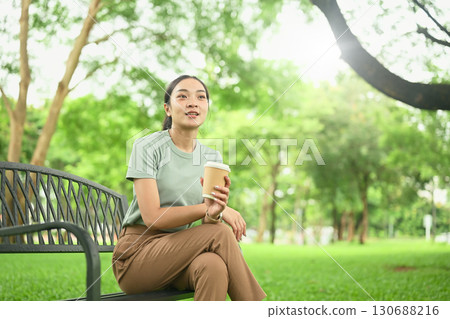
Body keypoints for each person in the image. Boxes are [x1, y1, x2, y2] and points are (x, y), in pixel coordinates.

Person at [112, 75, 266, 301]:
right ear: (168, 109)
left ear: (206, 107)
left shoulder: (212, 158)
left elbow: (208, 225)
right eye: (182, 96)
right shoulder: (147, 147)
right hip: (137, 257)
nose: (193, 102)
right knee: (222, 231)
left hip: (182, 254)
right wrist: (213, 211)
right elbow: (153, 217)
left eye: (201, 97)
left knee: (212, 265)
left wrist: (214, 213)